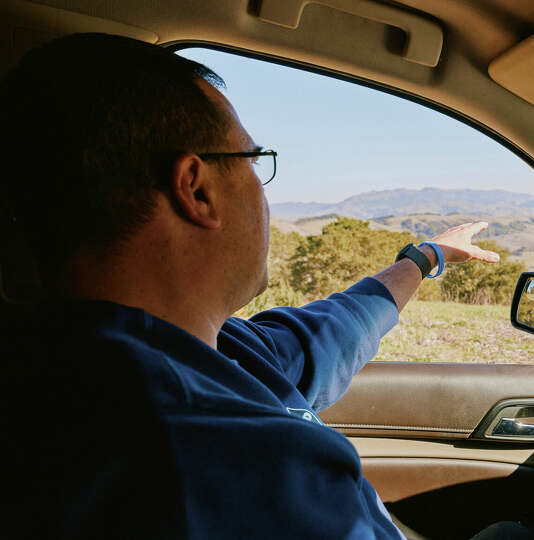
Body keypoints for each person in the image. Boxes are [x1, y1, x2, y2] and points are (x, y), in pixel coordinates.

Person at [0, 33, 504, 538]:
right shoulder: (224, 461)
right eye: (253, 160)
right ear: (196, 189)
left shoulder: (186, 348)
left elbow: (330, 333)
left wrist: (426, 257)